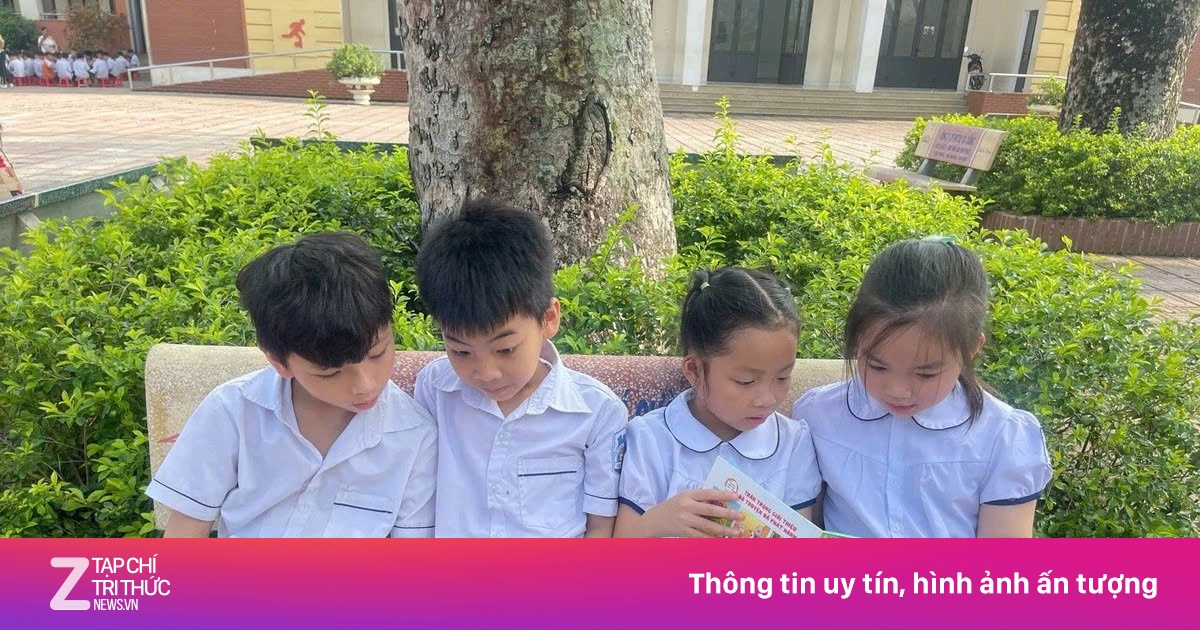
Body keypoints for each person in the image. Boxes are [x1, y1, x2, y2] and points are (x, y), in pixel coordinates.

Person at [145, 233, 438, 538]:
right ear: (279, 362)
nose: (365, 385)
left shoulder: (415, 437)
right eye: (330, 373)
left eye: (377, 354)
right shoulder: (233, 411)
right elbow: (185, 532)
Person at [793, 237, 1052, 538]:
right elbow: (803, 528)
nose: (897, 390)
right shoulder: (819, 414)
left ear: (971, 350)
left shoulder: (1002, 437)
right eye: (876, 366)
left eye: (926, 374)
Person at [413, 199, 627, 538]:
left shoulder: (596, 413)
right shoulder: (435, 389)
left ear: (549, 319)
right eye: (461, 351)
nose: (486, 372)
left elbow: (600, 529)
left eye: (506, 349)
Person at [614, 267, 821, 537]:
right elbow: (620, 548)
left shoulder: (793, 443)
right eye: (746, 382)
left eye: (782, 377)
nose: (768, 399)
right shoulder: (651, 439)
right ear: (694, 370)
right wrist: (661, 520)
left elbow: (802, 543)